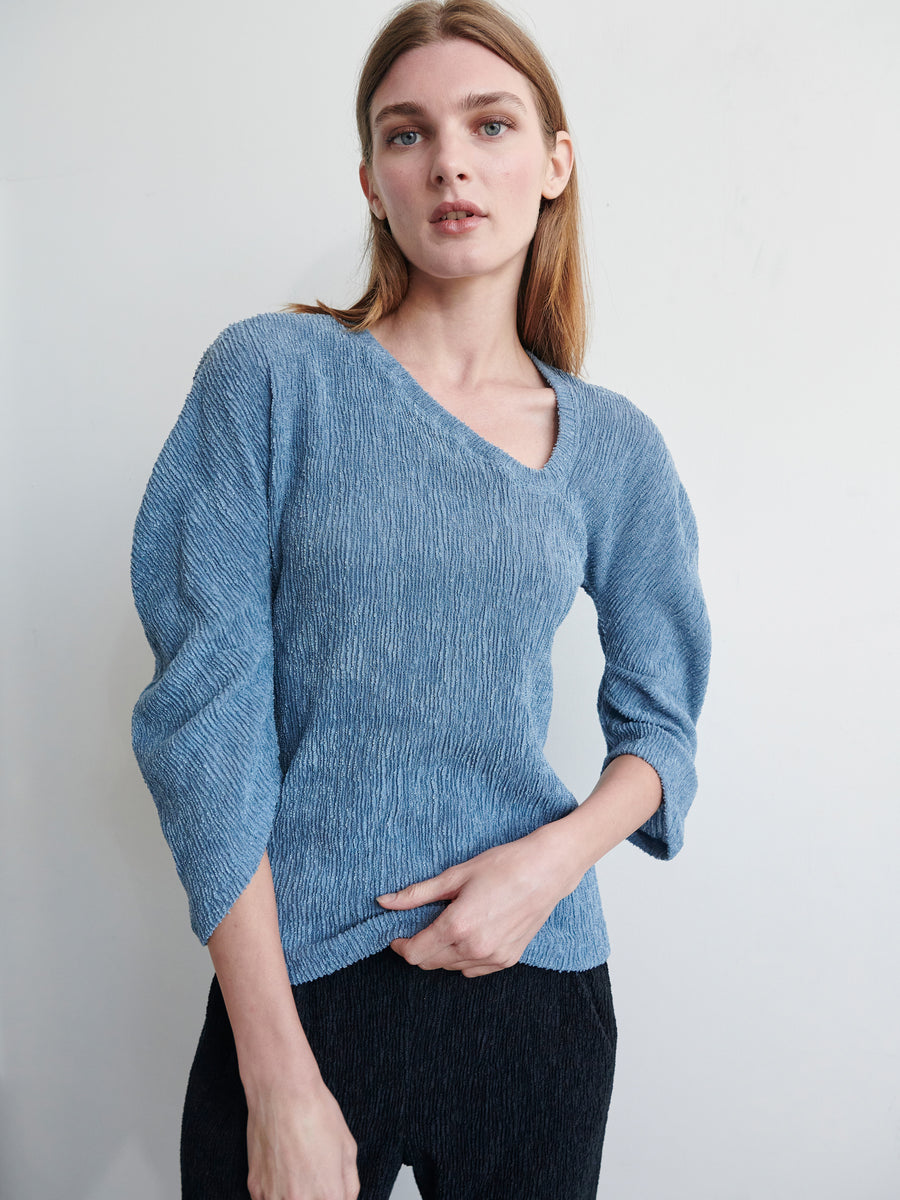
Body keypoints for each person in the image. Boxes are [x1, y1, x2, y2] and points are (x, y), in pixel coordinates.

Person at [129, 1, 712, 1197]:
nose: (448, 159)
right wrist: (279, 1077)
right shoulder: (271, 381)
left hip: (540, 1001)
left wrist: (544, 867)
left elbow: (662, 733)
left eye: (490, 124)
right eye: (408, 134)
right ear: (372, 180)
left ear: (554, 163)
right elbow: (204, 729)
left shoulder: (615, 448)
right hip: (298, 1000)